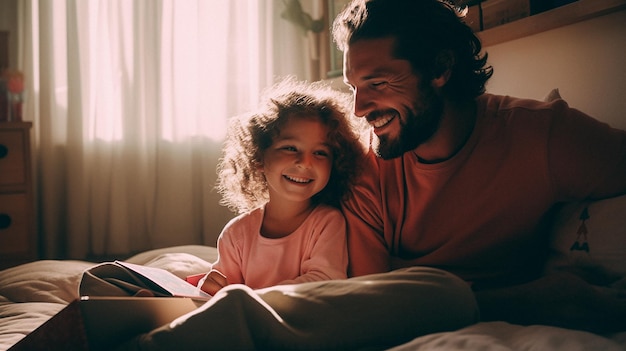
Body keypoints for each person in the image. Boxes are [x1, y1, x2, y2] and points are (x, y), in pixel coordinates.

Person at [333, 0, 626, 333]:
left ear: (440, 68)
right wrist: (531, 300)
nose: (358, 109)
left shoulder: (540, 137)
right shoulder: (362, 169)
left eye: (378, 84)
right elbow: (377, 309)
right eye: (353, 87)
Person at [193, 78, 363, 295]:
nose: (305, 162)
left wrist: (253, 294)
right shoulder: (236, 234)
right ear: (259, 157)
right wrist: (207, 287)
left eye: (320, 152)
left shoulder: (327, 222)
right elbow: (223, 293)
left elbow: (325, 281)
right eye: (290, 148)